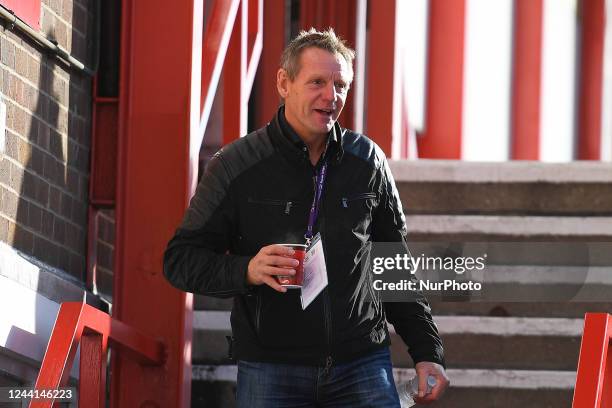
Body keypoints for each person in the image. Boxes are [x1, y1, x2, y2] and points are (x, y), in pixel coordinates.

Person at [164, 28, 449, 407]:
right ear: (284, 82)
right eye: (317, 82)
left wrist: (426, 350)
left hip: (362, 363)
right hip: (271, 369)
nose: (331, 97)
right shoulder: (236, 166)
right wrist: (247, 270)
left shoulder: (368, 162)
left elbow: (394, 266)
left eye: (341, 85)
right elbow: (180, 261)